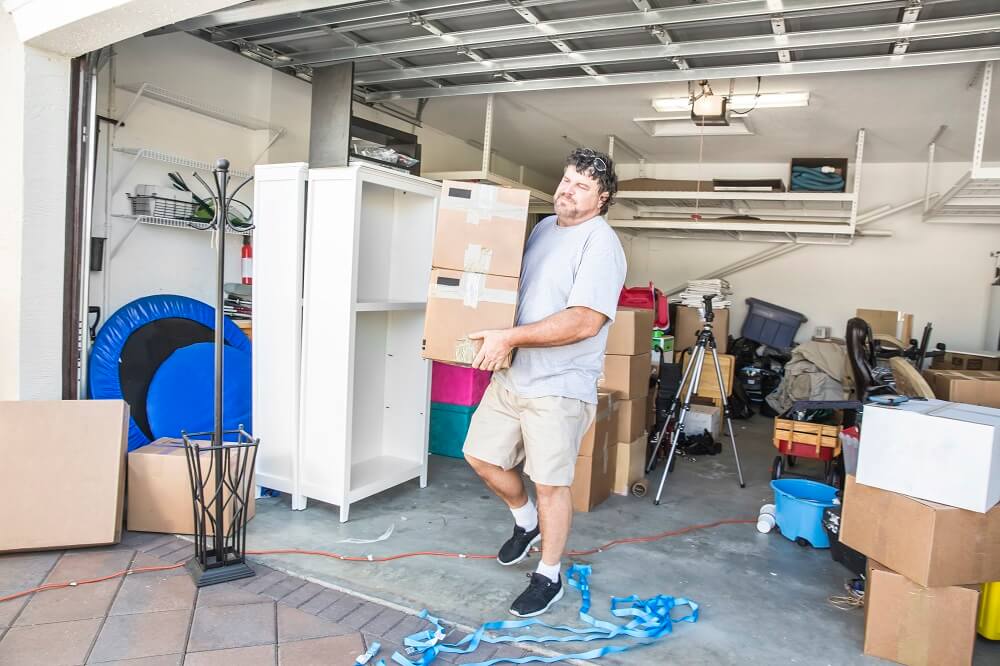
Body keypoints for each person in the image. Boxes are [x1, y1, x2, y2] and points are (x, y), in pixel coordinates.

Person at [463, 148, 627, 617]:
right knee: (480, 456)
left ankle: (549, 576)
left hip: (560, 385)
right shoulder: (540, 230)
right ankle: (525, 522)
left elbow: (584, 322)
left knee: (551, 483)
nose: (567, 189)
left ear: (602, 198)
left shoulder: (601, 244)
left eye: (581, 185)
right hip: (514, 372)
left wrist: (509, 337)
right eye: (566, 178)